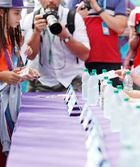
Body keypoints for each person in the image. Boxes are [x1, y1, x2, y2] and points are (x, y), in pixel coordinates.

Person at [22, 0, 90, 92]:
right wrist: (36, 32)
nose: (50, 1)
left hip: (73, 81)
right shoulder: (31, 19)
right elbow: (30, 55)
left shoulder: (73, 17)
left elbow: (85, 55)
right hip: (41, 82)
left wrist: (65, 35)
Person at [0, 0, 39, 159]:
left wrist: (24, 72)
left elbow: (11, 68)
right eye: (16, 13)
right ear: (1, 12)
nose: (20, 18)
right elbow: (4, 73)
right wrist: (3, 76)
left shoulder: (13, 35)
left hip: (9, 102)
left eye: (21, 13)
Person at [75, 0, 127, 86]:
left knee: (112, 96)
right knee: (84, 96)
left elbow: (120, 28)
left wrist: (97, 8)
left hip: (110, 60)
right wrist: (77, 17)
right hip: (82, 61)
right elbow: (66, 27)